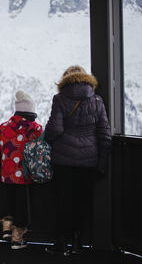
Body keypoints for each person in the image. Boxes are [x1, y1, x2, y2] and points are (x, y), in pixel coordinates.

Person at [44, 65, 112, 255]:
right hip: (88, 161)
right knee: (82, 202)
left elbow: (55, 130)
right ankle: (77, 242)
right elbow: (104, 133)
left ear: (65, 81)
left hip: (63, 160)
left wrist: (48, 138)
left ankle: (60, 242)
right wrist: (102, 161)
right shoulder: (97, 100)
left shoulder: (60, 99)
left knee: (63, 201)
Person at [0, 90, 43, 249]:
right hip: (24, 174)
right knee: (22, 205)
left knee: (9, 200)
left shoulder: (3, 127)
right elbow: (40, 149)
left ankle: (6, 229)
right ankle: (17, 238)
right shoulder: (35, 129)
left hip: (6, 173)